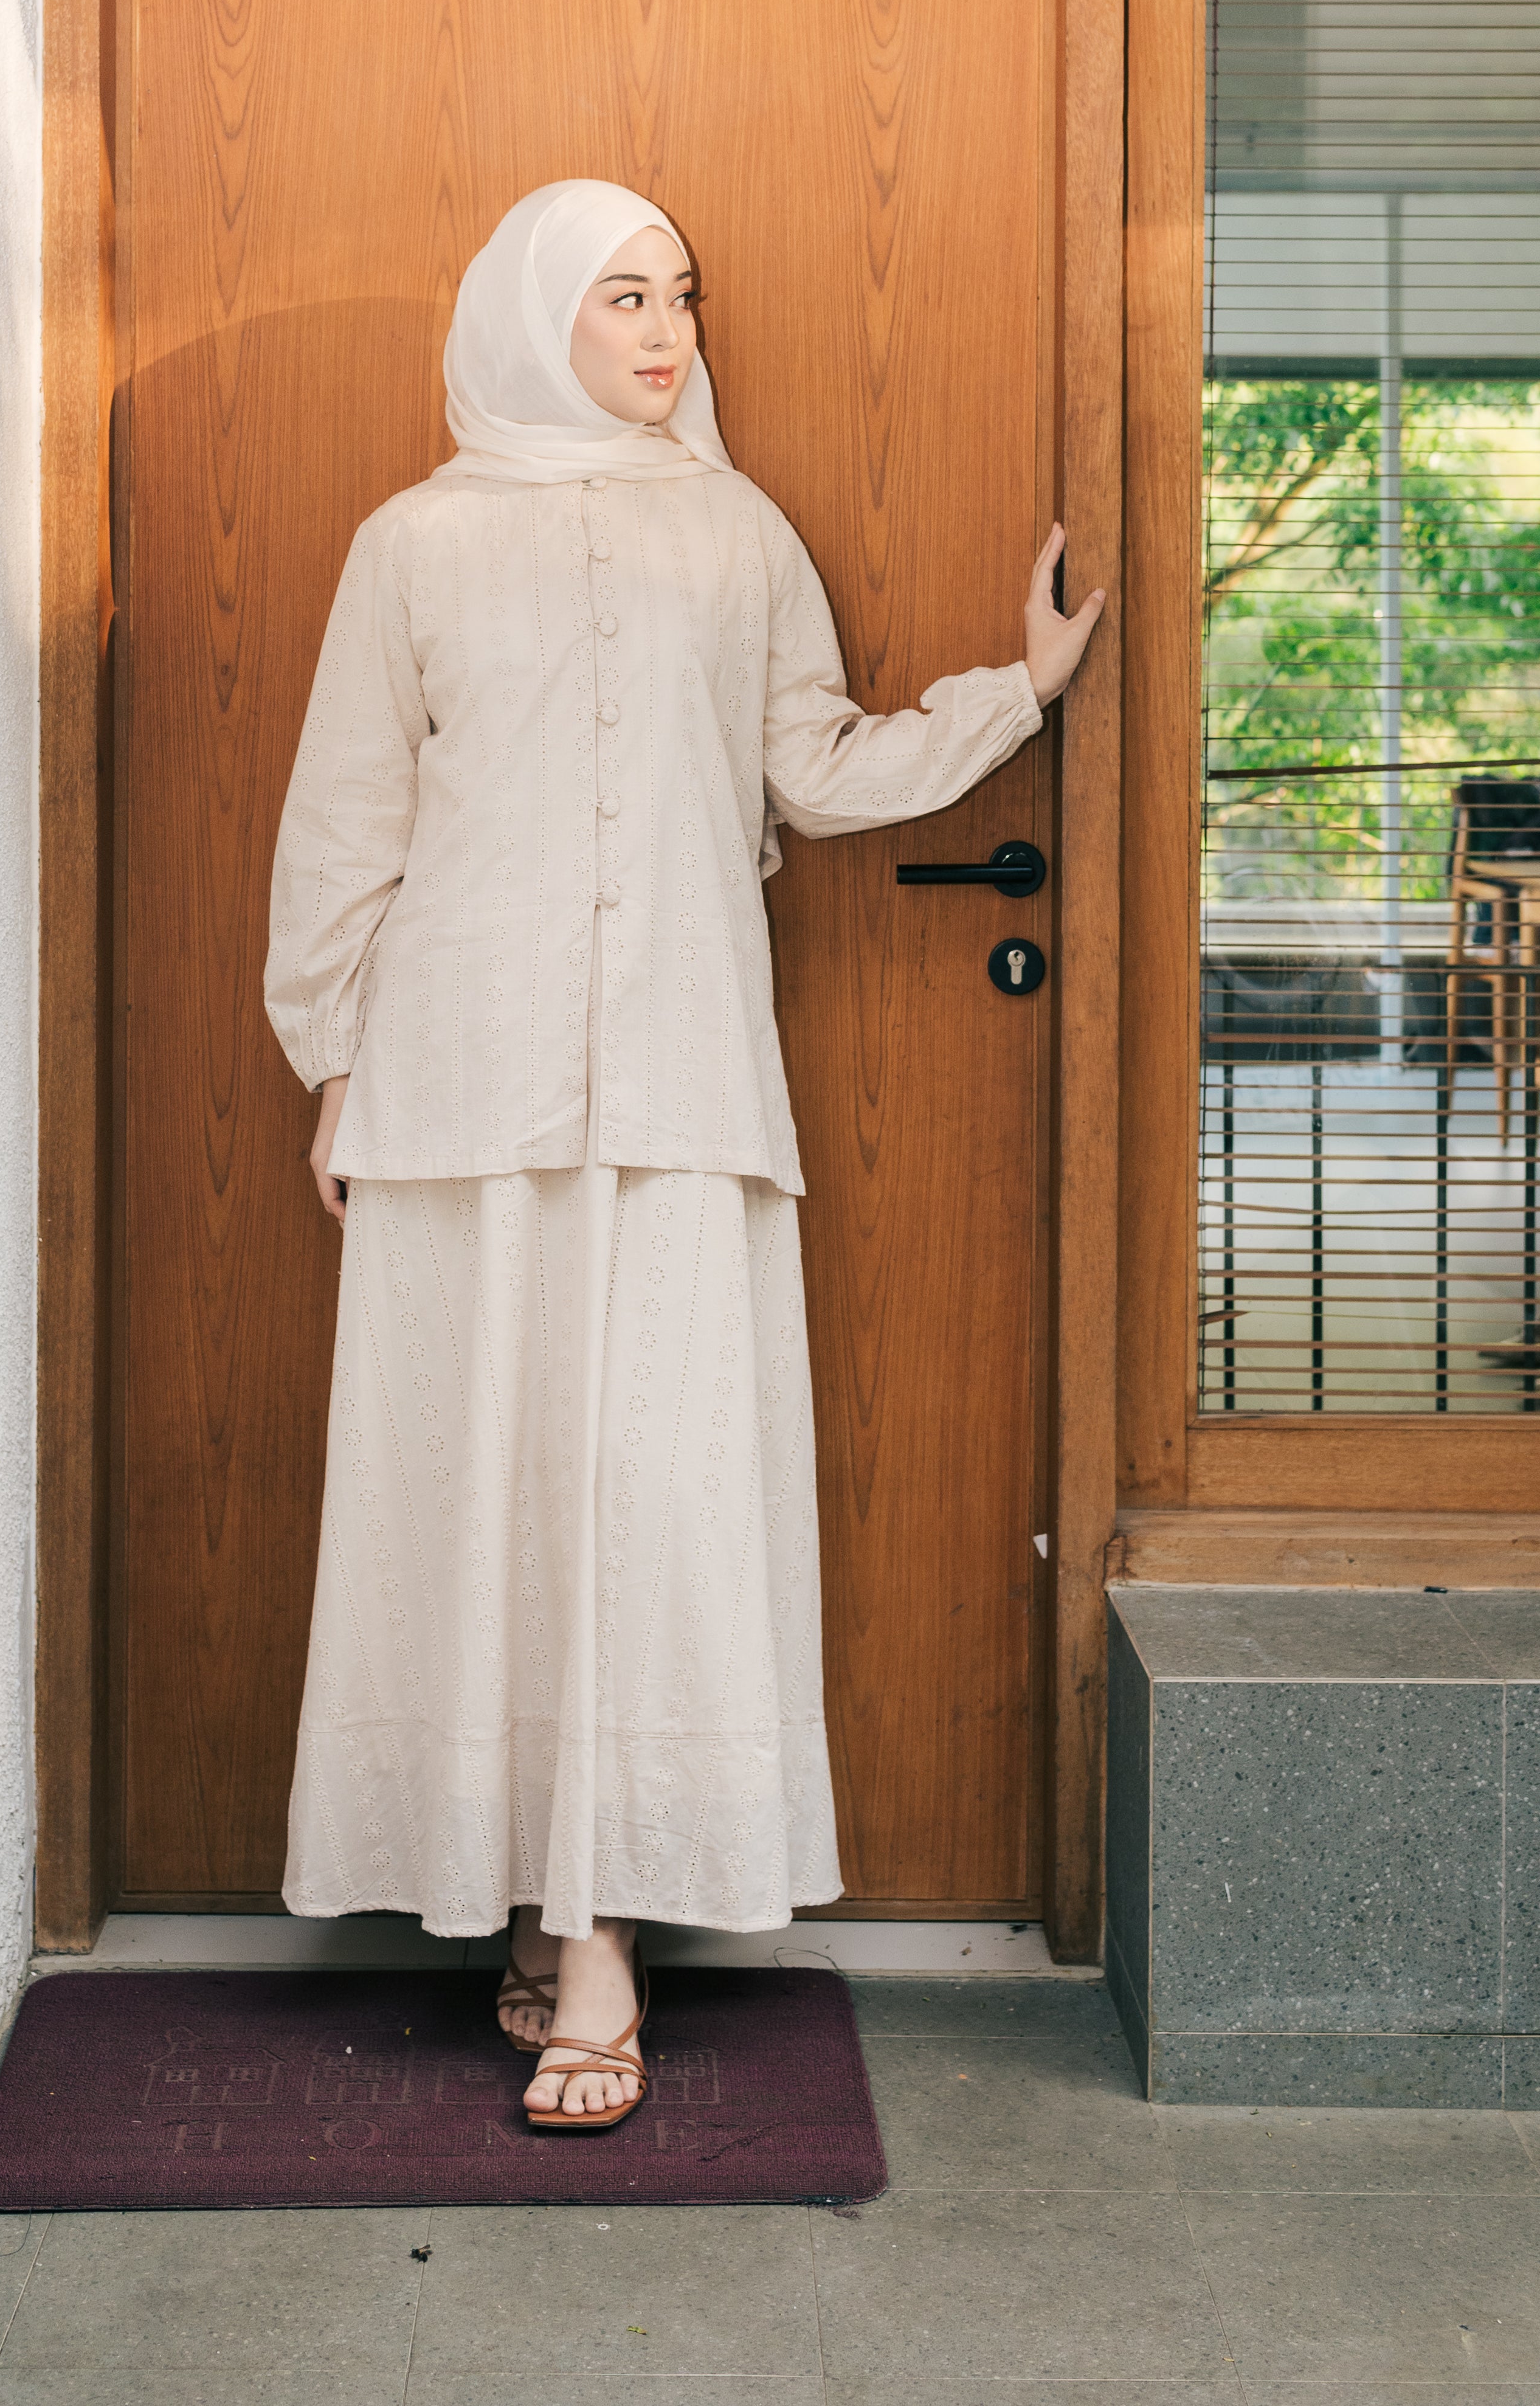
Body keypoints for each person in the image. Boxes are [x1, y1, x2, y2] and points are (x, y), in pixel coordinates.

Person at [264, 179, 1103, 2128]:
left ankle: (606, 1948)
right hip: (457, 1094)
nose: (665, 332)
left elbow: (809, 770)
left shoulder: (739, 537)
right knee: (482, 1492)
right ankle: (523, 1906)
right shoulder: (414, 546)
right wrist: (335, 1065)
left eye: (683, 298)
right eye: (623, 297)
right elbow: (344, 828)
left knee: (647, 1505)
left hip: (683, 1092)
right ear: (531, 315)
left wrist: (1018, 695)